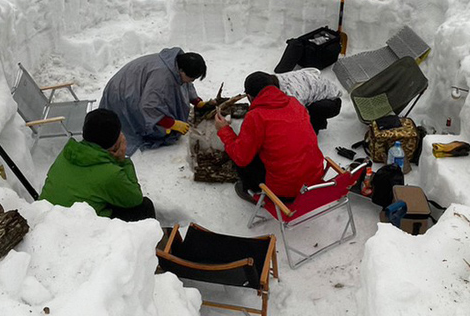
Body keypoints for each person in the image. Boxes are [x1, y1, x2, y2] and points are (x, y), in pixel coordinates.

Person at [216, 71, 325, 203]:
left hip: (286, 191)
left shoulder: (256, 116)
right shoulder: (294, 103)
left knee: (242, 154)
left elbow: (241, 156)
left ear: (250, 97)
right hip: (315, 180)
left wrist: (224, 130)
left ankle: (252, 190)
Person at [39, 108, 156, 221]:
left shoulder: (67, 153)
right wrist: (122, 160)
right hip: (75, 231)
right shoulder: (110, 174)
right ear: (115, 144)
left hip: (46, 220)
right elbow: (135, 198)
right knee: (144, 207)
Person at [98, 47, 207, 155]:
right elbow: (148, 106)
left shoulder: (175, 65)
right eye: (192, 78)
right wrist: (171, 123)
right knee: (156, 129)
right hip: (122, 97)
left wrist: (197, 101)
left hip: (135, 88)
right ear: (181, 71)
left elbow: (186, 85)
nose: (192, 81)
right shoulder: (162, 76)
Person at [275, 67, 342, 132]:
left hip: (332, 100)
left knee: (311, 113)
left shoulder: (292, 95)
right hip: (312, 88)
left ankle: (313, 129)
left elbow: (297, 116)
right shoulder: (276, 79)